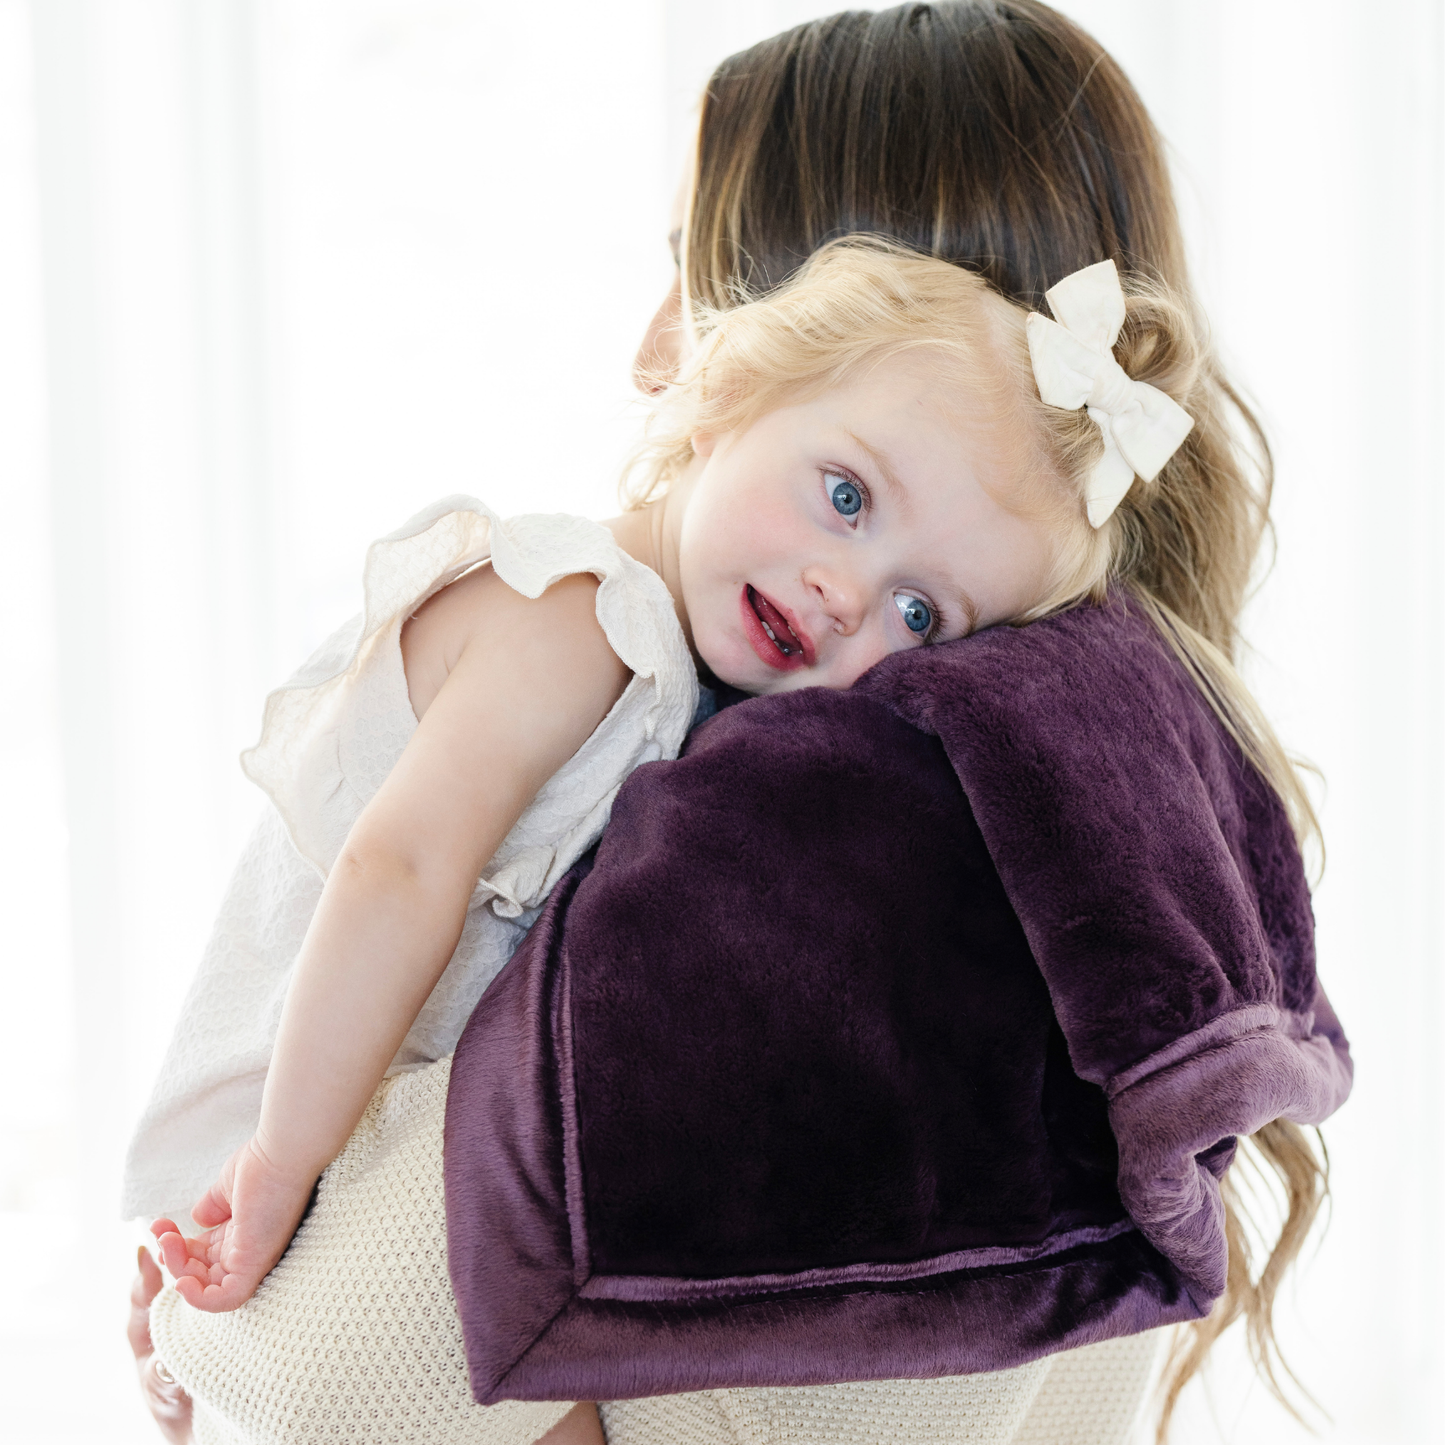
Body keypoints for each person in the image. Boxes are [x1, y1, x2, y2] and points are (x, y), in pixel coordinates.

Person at [128, 4, 1334, 1441]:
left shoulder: (741, 699)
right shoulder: (594, 616)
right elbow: (391, 877)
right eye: (842, 496)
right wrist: (263, 1177)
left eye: (921, 609)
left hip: (301, 1156)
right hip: (291, 1112)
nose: (846, 599)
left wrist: (267, 1199)